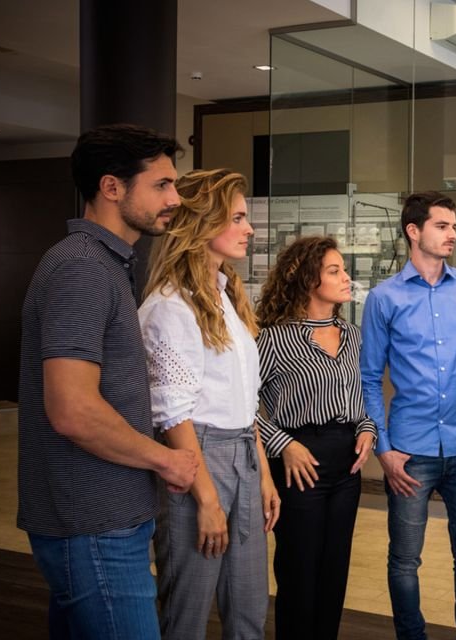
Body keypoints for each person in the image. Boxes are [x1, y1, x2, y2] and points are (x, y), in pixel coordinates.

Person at [17, 123, 199, 640]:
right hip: (94, 525)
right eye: (161, 185)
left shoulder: (104, 263)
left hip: (102, 520)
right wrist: (164, 458)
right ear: (112, 187)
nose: (174, 199)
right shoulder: (82, 268)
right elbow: (72, 410)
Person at [139, 168, 281, 640]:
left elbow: (246, 402)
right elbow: (173, 415)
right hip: (196, 460)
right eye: (237, 218)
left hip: (243, 454)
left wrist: (263, 474)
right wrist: (206, 499)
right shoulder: (169, 307)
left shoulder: (228, 299)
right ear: (201, 223)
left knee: (249, 610)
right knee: (188, 611)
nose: (250, 228)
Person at [360, 191, 456, 640]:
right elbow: (368, 379)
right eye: (442, 226)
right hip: (409, 453)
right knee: (404, 560)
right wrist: (383, 449)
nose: (453, 234)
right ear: (413, 231)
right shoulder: (383, 299)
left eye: (453, 226)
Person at [254, 235, 377, 640]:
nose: (346, 277)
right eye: (334, 271)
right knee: (299, 572)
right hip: (299, 463)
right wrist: (283, 445)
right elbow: (242, 405)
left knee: (334, 571)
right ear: (309, 279)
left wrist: (367, 428)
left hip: (347, 466)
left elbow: (360, 398)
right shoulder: (273, 339)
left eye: (344, 270)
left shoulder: (353, 335)